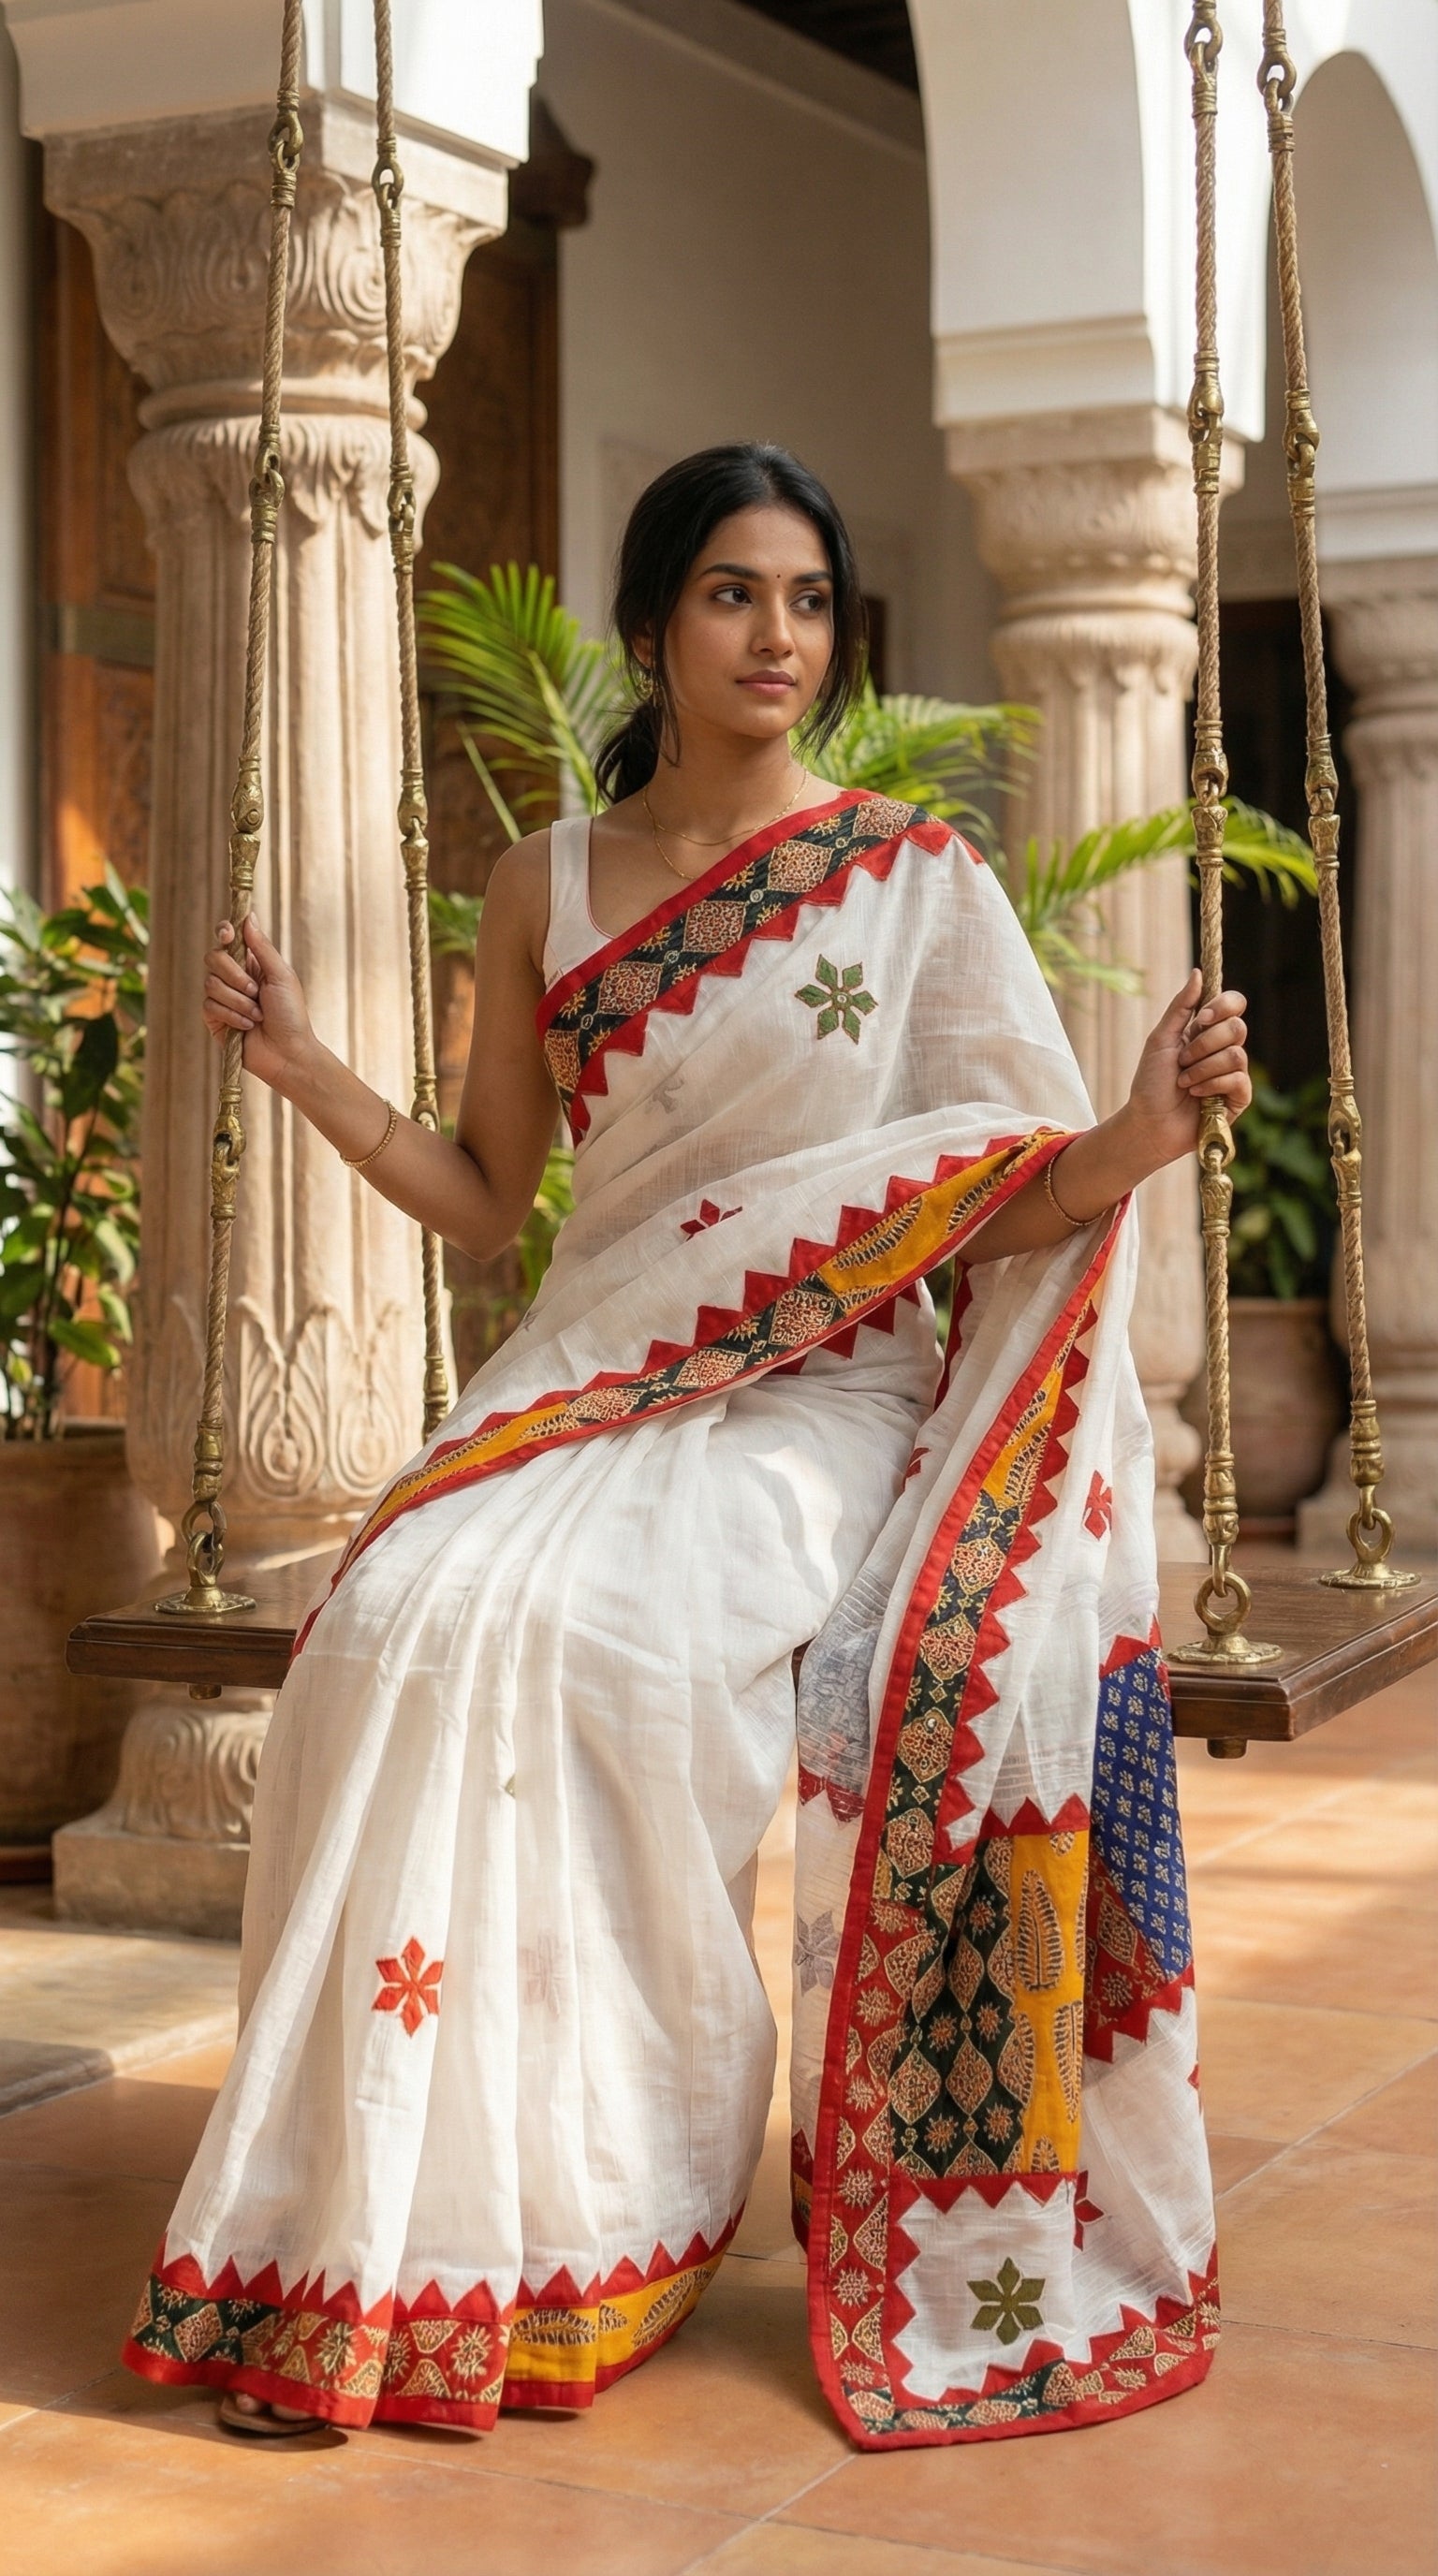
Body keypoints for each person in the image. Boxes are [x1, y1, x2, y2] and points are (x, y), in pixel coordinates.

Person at [125, 444, 1247, 2450]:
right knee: (393, 1618)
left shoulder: (910, 878)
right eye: (735, 593)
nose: (778, 636)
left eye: (808, 600)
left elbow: (996, 1190)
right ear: (652, 625)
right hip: (593, 1373)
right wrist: (301, 1067)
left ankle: (603, 2202)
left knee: (602, 1648)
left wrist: (1138, 1136)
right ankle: (373, 2230)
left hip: (822, 1393)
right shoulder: (544, 883)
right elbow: (489, 1195)